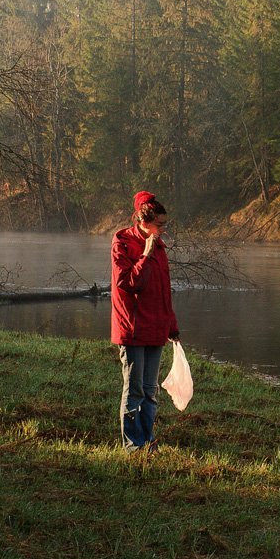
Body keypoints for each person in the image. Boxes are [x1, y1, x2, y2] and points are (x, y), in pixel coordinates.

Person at [110, 190, 180, 452]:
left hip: (156, 326)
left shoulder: (159, 246)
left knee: (151, 390)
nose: (163, 230)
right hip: (133, 326)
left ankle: (147, 441)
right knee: (135, 389)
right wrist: (145, 256)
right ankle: (133, 445)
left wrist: (170, 324)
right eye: (159, 225)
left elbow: (164, 290)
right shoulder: (123, 242)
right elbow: (128, 283)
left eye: (164, 225)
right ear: (143, 220)